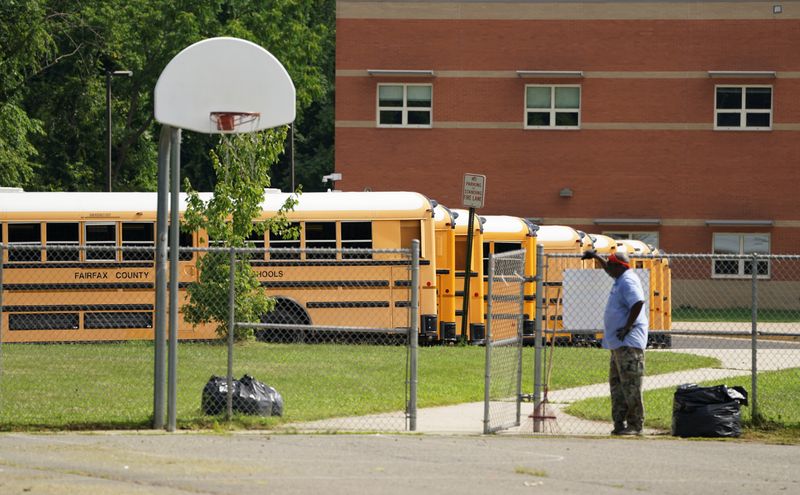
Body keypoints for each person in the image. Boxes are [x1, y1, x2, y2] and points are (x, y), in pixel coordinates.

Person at [582, 249, 648, 436]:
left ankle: (635, 425)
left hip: (629, 344)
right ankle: (620, 424)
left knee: (631, 386)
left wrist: (628, 326)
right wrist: (595, 256)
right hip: (619, 345)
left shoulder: (628, 281)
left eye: (610, 264)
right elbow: (609, 268)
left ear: (619, 266)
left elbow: (638, 302)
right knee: (617, 386)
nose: (607, 267)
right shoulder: (620, 278)